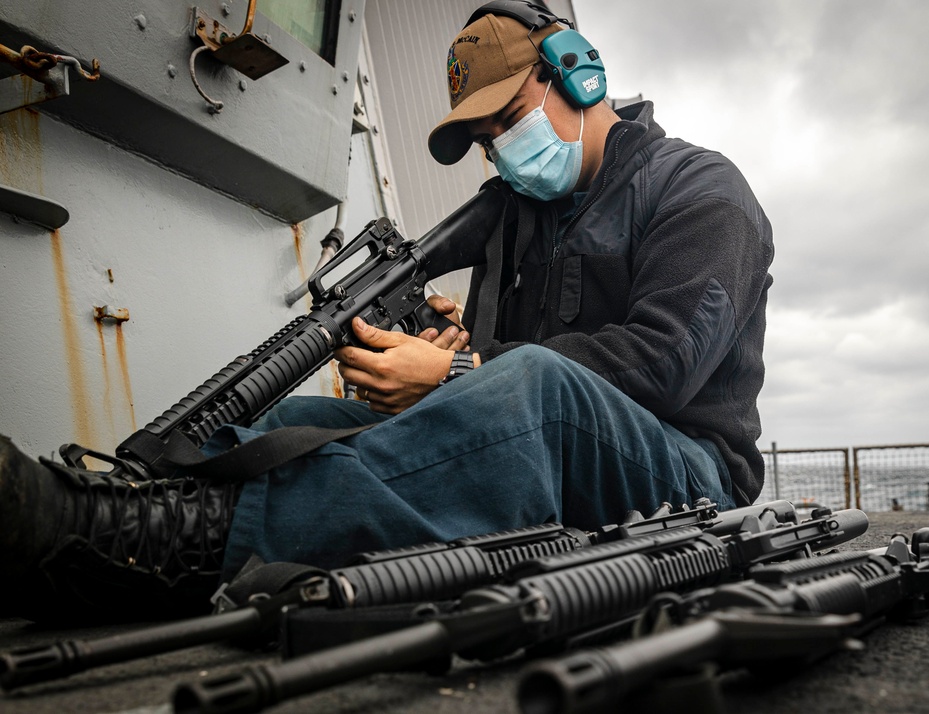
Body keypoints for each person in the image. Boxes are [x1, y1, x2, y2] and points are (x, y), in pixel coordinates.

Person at [0, 2, 772, 623]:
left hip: (689, 471)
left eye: (506, 119)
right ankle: (149, 509)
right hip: (555, 441)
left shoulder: (702, 190)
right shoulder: (523, 219)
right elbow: (509, 377)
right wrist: (446, 355)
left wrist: (460, 372)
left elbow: (661, 365)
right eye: (482, 138)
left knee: (533, 388)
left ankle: (179, 548)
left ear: (576, 73)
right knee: (309, 416)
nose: (498, 150)